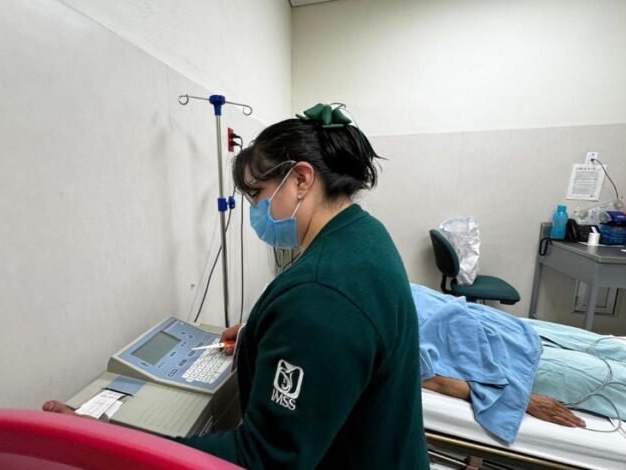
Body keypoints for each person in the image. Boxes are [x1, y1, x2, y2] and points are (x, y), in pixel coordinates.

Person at [44, 103, 429, 469]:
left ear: (301, 179)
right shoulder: (364, 234)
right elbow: (338, 345)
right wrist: (258, 335)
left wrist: (107, 441)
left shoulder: (319, 294)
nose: (255, 211)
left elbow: (261, 460)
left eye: (257, 194)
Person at [412, 283, 626, 444]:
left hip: (509, 327)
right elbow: (428, 378)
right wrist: (519, 399)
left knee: (623, 351)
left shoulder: (390, 274)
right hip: (502, 363)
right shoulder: (388, 335)